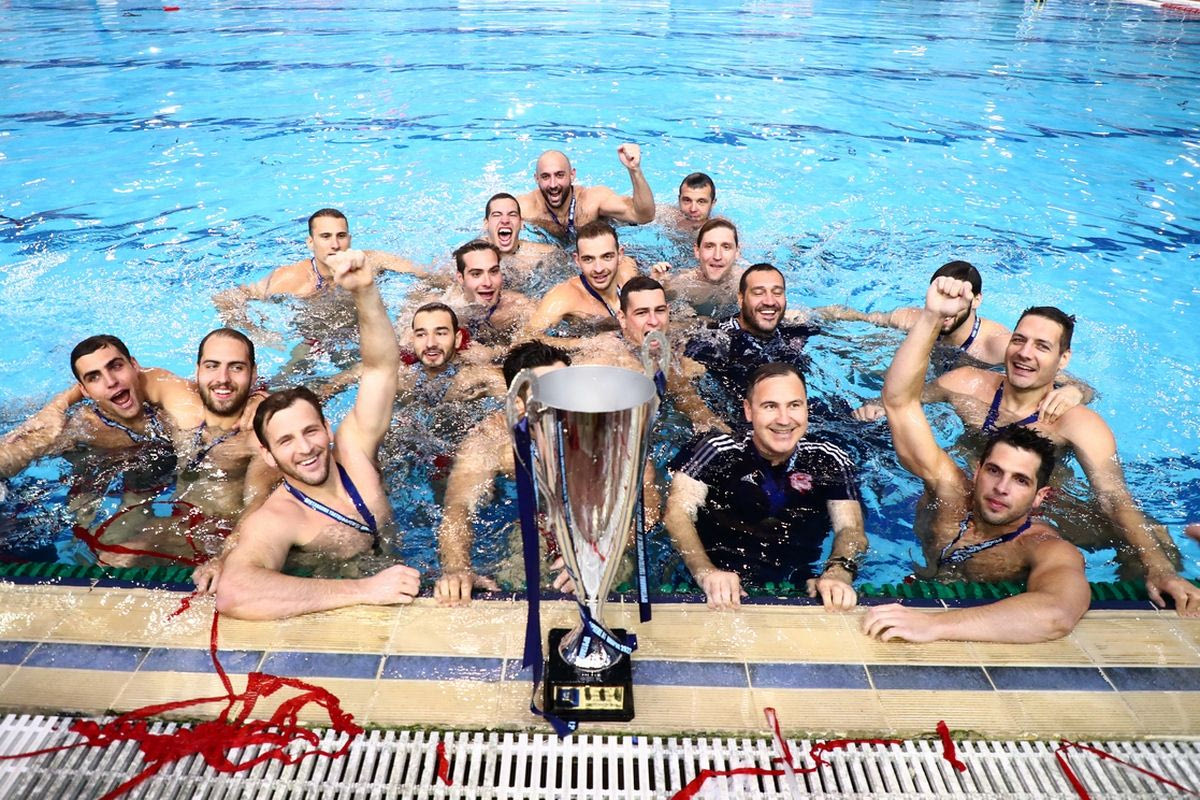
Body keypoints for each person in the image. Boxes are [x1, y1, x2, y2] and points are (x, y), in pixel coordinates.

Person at [923, 291, 1200, 616]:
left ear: (1063, 359)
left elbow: (1114, 497)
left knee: (1155, 540)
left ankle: (1136, 614)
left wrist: (1159, 568)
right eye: (1019, 340)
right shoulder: (965, 384)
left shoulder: (1078, 423)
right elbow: (901, 402)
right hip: (967, 493)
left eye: (1042, 346)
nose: (1025, 353)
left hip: (1048, 505)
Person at [861, 277, 1091, 643]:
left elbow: (1056, 615)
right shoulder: (951, 493)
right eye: (995, 471)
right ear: (978, 469)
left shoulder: (1042, 546)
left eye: (1020, 480)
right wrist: (932, 317)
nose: (1001, 488)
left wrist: (934, 626)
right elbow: (900, 402)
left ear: (1040, 497)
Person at [214, 250, 421, 620]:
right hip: (347, 598)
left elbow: (380, 369)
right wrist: (366, 590)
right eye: (286, 441)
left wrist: (365, 292)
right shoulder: (279, 517)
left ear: (327, 428)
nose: (306, 448)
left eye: (310, 431)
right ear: (268, 455)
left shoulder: (354, 451)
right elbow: (233, 593)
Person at [663, 363, 867, 611]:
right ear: (748, 411)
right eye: (770, 406)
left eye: (794, 405)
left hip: (797, 579)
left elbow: (850, 529)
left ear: (807, 408)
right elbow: (677, 514)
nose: (784, 420)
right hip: (713, 576)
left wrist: (838, 573)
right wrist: (706, 572)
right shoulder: (715, 449)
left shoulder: (829, 459)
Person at [212, 208, 427, 352]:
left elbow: (427, 275)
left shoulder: (371, 262)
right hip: (316, 341)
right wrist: (259, 333)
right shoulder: (292, 279)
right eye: (325, 237)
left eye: (341, 236)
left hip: (366, 334)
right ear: (310, 242)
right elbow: (226, 298)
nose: (335, 245)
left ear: (349, 239)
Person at [580, 276, 727, 434]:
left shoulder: (672, 347)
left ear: (668, 311)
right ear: (622, 318)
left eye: (660, 310)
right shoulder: (605, 360)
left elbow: (689, 399)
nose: (654, 321)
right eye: (642, 313)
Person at [684, 263, 821, 412]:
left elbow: (826, 316)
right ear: (741, 299)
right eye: (758, 293)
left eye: (777, 293)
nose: (770, 301)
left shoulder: (791, 328)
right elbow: (682, 383)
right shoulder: (719, 338)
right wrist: (706, 420)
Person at [819, 261, 1010, 365]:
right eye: (941, 296)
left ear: (976, 300)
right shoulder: (911, 318)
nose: (946, 308)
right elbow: (862, 317)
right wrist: (814, 315)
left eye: (956, 298)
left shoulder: (996, 345)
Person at [516, 145, 655, 241]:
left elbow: (644, 216)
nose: (553, 185)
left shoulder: (593, 200)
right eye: (545, 177)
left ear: (572, 175)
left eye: (559, 175)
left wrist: (634, 169)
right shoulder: (525, 207)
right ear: (536, 179)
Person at [525, 220, 640, 333]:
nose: (598, 269)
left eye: (607, 257)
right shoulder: (562, 298)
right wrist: (584, 343)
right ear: (577, 260)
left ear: (620, 255)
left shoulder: (628, 272)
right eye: (588, 259)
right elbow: (527, 337)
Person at [444, 240, 534, 346]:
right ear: (460, 278)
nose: (488, 283)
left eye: (494, 271)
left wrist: (495, 352)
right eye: (476, 274)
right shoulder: (449, 307)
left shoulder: (517, 307)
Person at [650, 218, 743, 318]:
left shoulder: (743, 282)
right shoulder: (683, 284)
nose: (717, 256)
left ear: (737, 252)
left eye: (726, 247)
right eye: (709, 246)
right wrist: (656, 285)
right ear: (697, 251)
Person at [482, 192, 561, 287]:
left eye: (512, 215)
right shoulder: (472, 257)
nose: (505, 220)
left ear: (521, 223)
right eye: (497, 215)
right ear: (486, 224)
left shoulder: (545, 255)